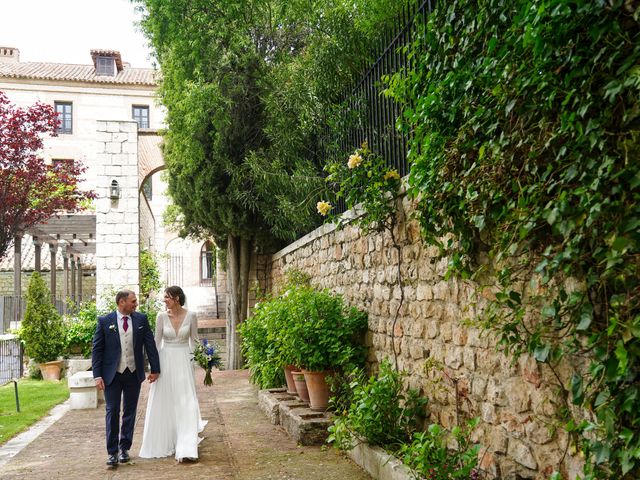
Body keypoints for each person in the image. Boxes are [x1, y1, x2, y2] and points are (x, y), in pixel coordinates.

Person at [92, 289, 160, 467]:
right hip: (111, 375)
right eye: (133, 301)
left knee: (130, 412)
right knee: (112, 411)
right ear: (122, 302)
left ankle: (124, 449)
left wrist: (155, 368)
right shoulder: (104, 321)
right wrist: (97, 375)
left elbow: (150, 345)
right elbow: (97, 350)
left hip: (133, 373)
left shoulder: (141, 319)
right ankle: (112, 452)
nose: (136, 304)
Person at [139, 285, 208, 462]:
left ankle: (186, 446)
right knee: (166, 400)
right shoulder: (161, 316)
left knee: (185, 400)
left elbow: (195, 340)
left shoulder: (191, 315)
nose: (164, 301)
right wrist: (153, 368)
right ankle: (168, 437)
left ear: (177, 298)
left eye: (167, 297)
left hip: (185, 361)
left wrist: (203, 360)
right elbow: (155, 343)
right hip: (165, 360)